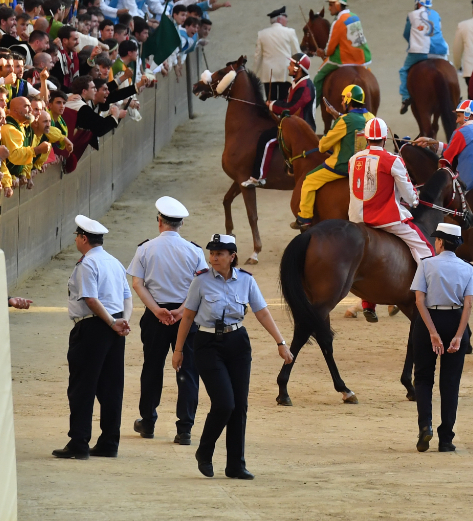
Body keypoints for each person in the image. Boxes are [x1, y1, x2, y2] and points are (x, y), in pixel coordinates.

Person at [172, 233, 293, 479]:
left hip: (237, 342)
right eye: (212, 253)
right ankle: (204, 451)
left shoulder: (246, 281)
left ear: (232, 256)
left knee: (240, 406)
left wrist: (280, 342)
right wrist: (178, 349)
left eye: (219, 254)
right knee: (225, 403)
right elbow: (187, 316)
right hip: (207, 343)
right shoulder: (201, 281)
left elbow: (262, 313)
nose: (213, 258)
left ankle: (235, 465)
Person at [127, 196, 207, 446]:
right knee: (188, 370)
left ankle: (148, 421)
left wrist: (157, 310)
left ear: (159, 221)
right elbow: (202, 285)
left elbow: (137, 284)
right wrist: (183, 311)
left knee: (152, 367)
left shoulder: (146, 249)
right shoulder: (194, 250)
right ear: (181, 223)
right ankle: (185, 428)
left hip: (156, 317)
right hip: (186, 316)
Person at [53, 215, 132, 459]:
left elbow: (90, 299)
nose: (76, 240)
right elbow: (127, 297)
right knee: (111, 388)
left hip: (93, 328)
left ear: (84, 238)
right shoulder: (114, 262)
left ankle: (79, 443)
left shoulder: (88, 264)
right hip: (116, 327)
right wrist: (122, 321)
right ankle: (109, 442)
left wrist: (110, 322)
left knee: (82, 387)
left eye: (77, 236)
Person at [349, 116, 432, 321]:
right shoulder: (393, 160)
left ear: (366, 138)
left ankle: (368, 302)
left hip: (356, 218)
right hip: (386, 218)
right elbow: (409, 196)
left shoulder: (353, 160)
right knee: (424, 246)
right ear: (384, 138)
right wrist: (415, 199)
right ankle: (431, 286)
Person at [411, 222, 473, 453]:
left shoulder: (426, 264)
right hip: (456, 319)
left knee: (423, 378)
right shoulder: (467, 268)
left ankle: (424, 426)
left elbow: (419, 301)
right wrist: (459, 335)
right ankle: (446, 438)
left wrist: (432, 332)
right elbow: (468, 304)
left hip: (429, 320)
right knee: (450, 383)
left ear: (439, 242)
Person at [293, 83, 374, 230]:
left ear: (349, 101)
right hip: (365, 164)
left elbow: (323, 146)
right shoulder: (371, 118)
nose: (342, 102)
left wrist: (336, 124)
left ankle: (304, 218)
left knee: (309, 180)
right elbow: (357, 123)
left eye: (344, 99)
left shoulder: (343, 121)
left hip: (342, 166)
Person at [243, 53, 317, 188]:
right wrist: (274, 103)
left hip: (300, 128)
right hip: (294, 124)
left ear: (298, 69)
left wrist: (272, 106)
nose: (288, 67)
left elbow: (293, 108)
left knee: (266, 139)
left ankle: (259, 177)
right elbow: (288, 103)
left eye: (291, 65)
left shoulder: (305, 86)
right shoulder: (297, 84)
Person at [312, 0, 371, 106]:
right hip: (362, 58)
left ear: (338, 5)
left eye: (331, 5)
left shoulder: (337, 22)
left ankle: (313, 107)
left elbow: (330, 49)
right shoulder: (355, 17)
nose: (329, 8)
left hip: (344, 59)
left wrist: (322, 52)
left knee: (318, 78)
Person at [399, 0, 449, 114]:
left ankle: (406, 97)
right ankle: (454, 95)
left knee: (404, 70)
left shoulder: (412, 15)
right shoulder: (436, 15)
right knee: (449, 68)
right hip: (440, 51)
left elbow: (406, 34)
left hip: (419, 52)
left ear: (418, 3)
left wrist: (413, 41)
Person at [252, 5, 300, 101]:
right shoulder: (290, 32)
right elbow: (297, 53)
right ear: (279, 19)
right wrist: (300, 72)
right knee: (284, 100)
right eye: (285, 18)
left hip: (268, 73)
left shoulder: (262, 34)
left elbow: (258, 57)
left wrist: (253, 75)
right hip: (285, 72)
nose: (286, 20)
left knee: (270, 101)